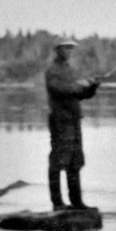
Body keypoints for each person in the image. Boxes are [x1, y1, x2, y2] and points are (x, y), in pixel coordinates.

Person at [45, 39, 101, 210]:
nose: (69, 51)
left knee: (75, 161)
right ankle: (57, 203)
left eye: (71, 48)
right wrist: (78, 86)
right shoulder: (52, 70)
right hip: (60, 121)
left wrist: (92, 86)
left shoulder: (69, 69)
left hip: (74, 120)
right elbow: (57, 89)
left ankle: (76, 202)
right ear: (58, 50)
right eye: (66, 48)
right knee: (58, 161)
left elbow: (80, 95)